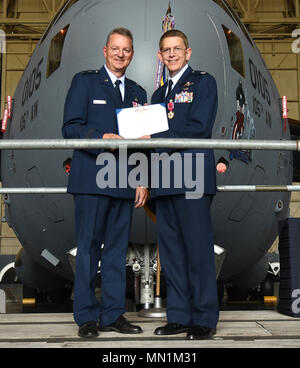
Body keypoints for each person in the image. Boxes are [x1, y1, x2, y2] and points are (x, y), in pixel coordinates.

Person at [62, 28, 148, 338]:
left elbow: (141, 144)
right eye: (115, 48)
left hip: (124, 181)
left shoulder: (139, 93)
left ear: (132, 54)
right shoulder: (84, 83)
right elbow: (70, 128)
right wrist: (100, 138)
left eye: (126, 50)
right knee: (87, 250)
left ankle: (113, 314)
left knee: (116, 251)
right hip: (91, 178)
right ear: (105, 50)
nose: (120, 54)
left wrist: (141, 179)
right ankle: (86, 316)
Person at [145, 29, 219, 339]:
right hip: (164, 180)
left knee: (198, 251)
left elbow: (198, 129)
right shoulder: (158, 96)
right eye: (166, 50)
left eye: (178, 48)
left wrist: (153, 137)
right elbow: (148, 143)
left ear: (188, 53)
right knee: (172, 253)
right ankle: (178, 315)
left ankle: (203, 318)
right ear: (160, 57)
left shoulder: (204, 82)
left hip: (191, 176)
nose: (172, 54)